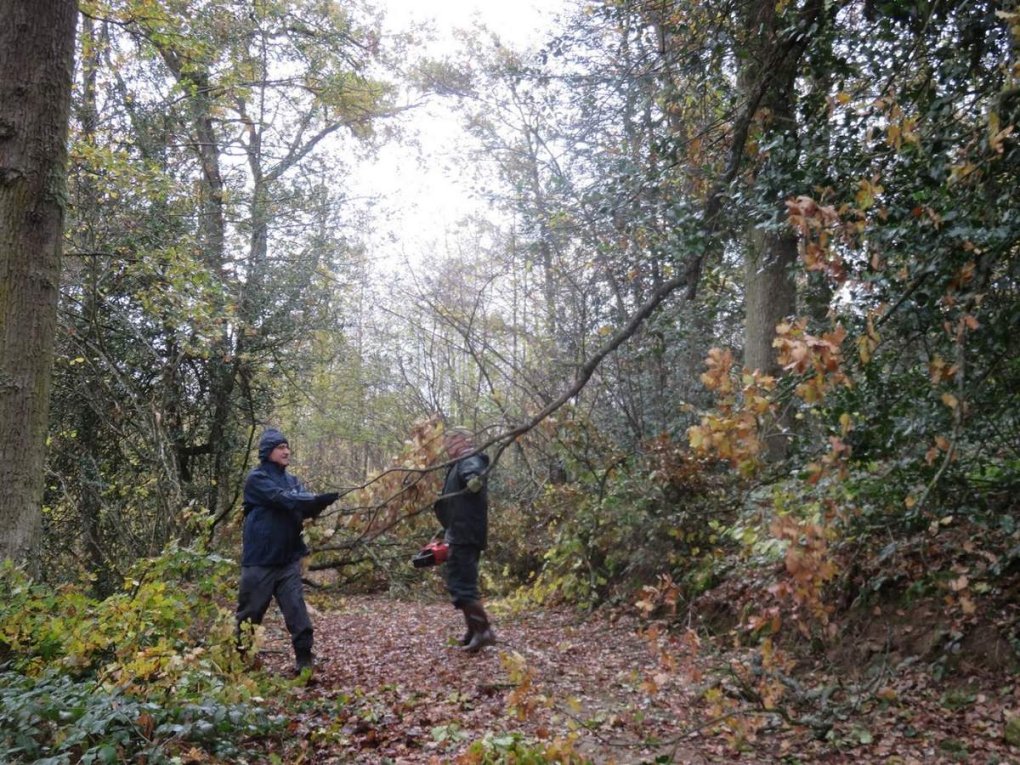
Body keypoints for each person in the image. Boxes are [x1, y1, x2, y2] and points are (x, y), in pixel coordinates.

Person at [235, 428, 339, 674]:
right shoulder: (257, 479)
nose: (287, 451)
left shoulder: (293, 481)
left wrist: (320, 504)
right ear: (267, 451)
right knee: (250, 615)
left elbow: (303, 509)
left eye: (287, 447)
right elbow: (282, 499)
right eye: (281, 447)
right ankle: (240, 664)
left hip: (288, 561)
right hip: (259, 562)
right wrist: (312, 498)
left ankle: (304, 663)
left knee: (298, 614)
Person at [433, 426, 496, 653]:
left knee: (462, 584)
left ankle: (484, 632)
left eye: (451, 441)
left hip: (465, 533)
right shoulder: (458, 463)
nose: (447, 445)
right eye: (446, 441)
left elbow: (474, 477)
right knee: (460, 582)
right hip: (459, 532)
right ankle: (473, 631)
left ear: (463, 440)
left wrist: (473, 481)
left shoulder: (469, 457)